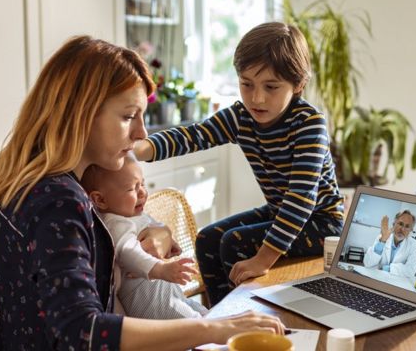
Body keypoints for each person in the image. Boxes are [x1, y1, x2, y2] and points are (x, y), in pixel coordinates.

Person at [0, 35, 284, 350]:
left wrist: (159, 230)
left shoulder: (30, 180)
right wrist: (212, 329)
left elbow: (121, 229)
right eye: (128, 116)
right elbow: (83, 331)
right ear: (81, 112)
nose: (142, 133)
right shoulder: (58, 200)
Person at [134, 22, 344, 305]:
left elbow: (300, 200)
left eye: (271, 87)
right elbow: (194, 135)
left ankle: (244, 316)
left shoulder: (309, 125)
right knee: (208, 239)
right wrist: (139, 149)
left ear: (299, 85)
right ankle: (220, 316)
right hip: (279, 211)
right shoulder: (240, 116)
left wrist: (263, 259)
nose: (257, 98)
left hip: (323, 223)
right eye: (247, 84)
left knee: (234, 242)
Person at [81, 154, 208, 319]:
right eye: (132, 188)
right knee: (198, 326)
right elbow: (128, 251)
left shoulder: (130, 213)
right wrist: (160, 269)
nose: (142, 192)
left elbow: (151, 226)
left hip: (165, 293)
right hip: (148, 301)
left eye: (142, 184)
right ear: (100, 199)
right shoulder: (114, 222)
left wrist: (170, 243)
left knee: (206, 315)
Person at [363, 210, 416, 278]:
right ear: (394, 224)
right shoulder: (382, 237)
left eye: (407, 226)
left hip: (395, 281)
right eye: (400, 224)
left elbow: (411, 270)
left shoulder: (412, 244)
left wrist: (388, 268)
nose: (402, 229)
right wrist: (383, 240)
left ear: (411, 230)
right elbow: (367, 263)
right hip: (377, 277)